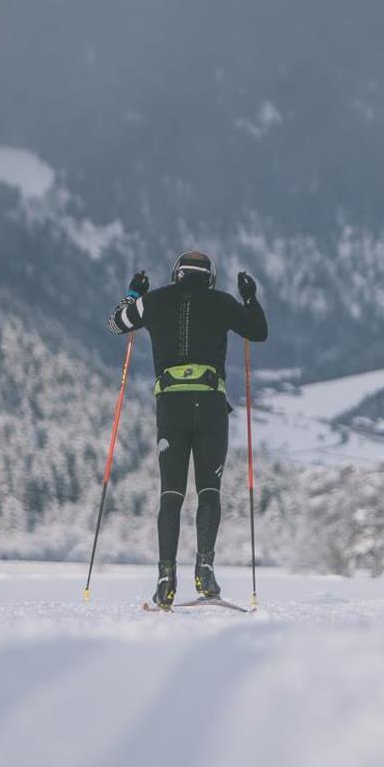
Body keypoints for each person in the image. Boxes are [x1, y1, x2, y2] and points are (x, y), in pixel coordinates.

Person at [108, 250, 267, 609]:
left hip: (171, 408)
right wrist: (249, 297)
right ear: (209, 277)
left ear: (177, 274)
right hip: (210, 406)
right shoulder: (223, 302)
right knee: (209, 490)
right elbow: (259, 331)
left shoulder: (154, 301)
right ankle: (205, 569)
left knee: (171, 494)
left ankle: (165, 578)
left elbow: (116, 323)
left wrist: (134, 293)